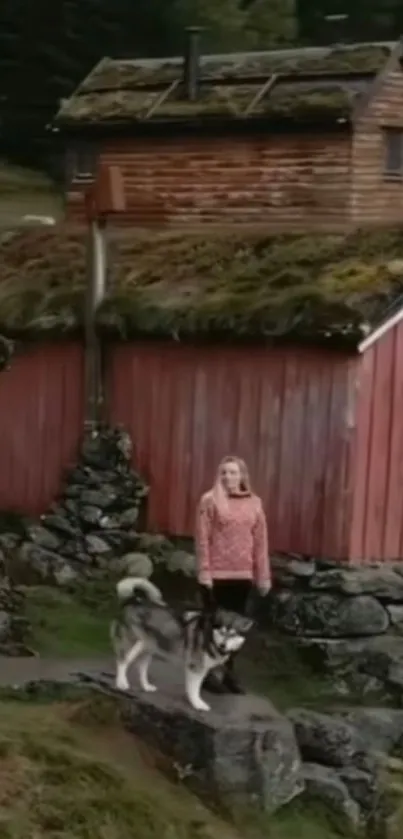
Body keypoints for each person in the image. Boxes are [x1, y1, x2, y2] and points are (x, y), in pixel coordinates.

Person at [195, 455, 271, 695]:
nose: (228, 477)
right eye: (224, 472)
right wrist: (204, 571)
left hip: (243, 574)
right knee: (214, 625)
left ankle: (229, 673)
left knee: (235, 629)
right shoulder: (209, 500)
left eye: (233, 472)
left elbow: (260, 542)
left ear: (242, 476)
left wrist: (263, 576)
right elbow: (202, 539)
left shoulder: (255, 504)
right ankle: (207, 673)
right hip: (216, 574)